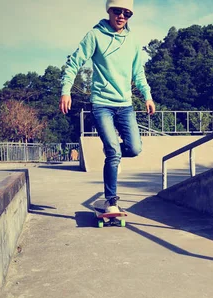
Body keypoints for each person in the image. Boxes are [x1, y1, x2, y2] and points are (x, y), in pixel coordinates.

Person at [60, 0, 155, 213]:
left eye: (127, 13)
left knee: (134, 148)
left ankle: (113, 152)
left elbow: (138, 73)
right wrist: (66, 91)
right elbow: (74, 62)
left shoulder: (132, 41)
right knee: (113, 152)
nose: (122, 16)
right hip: (102, 104)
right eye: (117, 11)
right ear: (109, 11)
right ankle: (111, 201)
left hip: (126, 105)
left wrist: (147, 96)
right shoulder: (95, 36)